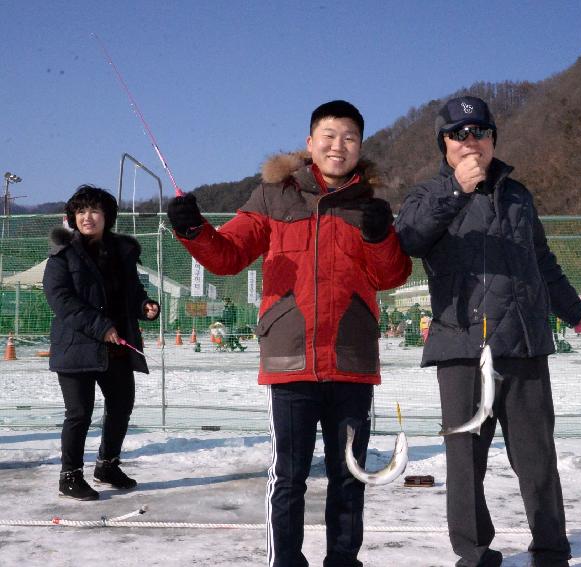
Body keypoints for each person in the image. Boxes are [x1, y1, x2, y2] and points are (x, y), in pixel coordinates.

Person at [167, 100, 411, 567]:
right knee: (290, 477)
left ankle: (343, 560)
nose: (339, 145)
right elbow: (228, 256)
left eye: (350, 137)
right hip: (289, 361)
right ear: (309, 142)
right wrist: (194, 230)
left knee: (349, 475)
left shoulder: (371, 206)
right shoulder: (272, 196)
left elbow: (392, 276)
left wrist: (382, 239)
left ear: (361, 146)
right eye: (329, 135)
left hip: (351, 360)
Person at [394, 96, 581, 567]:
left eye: (480, 132)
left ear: (492, 139)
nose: (471, 142)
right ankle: (474, 555)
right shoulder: (426, 194)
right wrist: (455, 192)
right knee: (465, 460)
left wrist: (575, 312)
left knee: (537, 458)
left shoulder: (519, 196)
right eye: (459, 134)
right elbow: (409, 240)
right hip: (460, 345)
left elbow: (542, 263)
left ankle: (551, 551)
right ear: (444, 144)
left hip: (524, 344)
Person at [42, 185, 160, 501]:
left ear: (107, 216)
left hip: (116, 346)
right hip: (76, 346)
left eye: (94, 211)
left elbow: (132, 292)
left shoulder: (121, 253)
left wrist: (144, 306)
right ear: (72, 217)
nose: (87, 217)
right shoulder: (62, 256)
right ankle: (70, 475)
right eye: (81, 212)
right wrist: (100, 326)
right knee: (79, 412)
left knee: (121, 405)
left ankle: (107, 465)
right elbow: (61, 301)